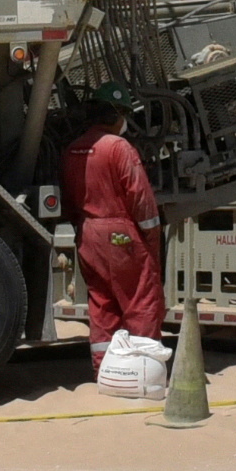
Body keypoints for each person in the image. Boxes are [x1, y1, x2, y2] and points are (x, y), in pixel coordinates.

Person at [62, 102, 166, 349]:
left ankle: (105, 370)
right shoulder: (118, 147)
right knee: (140, 301)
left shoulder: (72, 149)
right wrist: (151, 238)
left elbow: (68, 200)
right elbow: (140, 196)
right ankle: (142, 369)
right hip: (121, 236)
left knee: (101, 306)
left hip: (88, 234)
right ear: (115, 117)